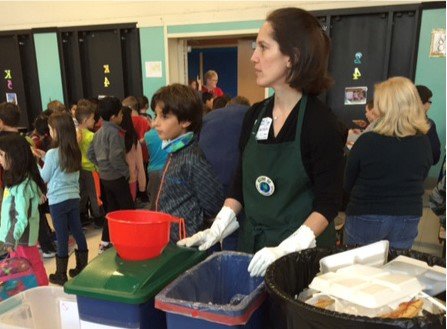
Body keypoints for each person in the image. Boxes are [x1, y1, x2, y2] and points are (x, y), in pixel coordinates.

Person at [179, 8, 346, 277]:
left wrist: (291, 245)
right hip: (254, 245)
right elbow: (241, 179)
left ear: (293, 57)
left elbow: (329, 202)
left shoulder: (321, 124)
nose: (254, 58)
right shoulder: (255, 115)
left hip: (301, 254)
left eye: (263, 48)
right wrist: (219, 225)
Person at [344, 77, 432, 250]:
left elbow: (348, 183)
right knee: (395, 272)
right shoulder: (423, 141)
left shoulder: (367, 141)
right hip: (408, 215)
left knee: (357, 272)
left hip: (367, 212)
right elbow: (423, 175)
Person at [151, 83, 224, 242]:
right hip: (169, 240)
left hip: (186, 245)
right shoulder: (175, 152)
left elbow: (214, 205)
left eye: (164, 116)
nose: (155, 123)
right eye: (155, 115)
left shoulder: (192, 158)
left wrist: (191, 227)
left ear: (185, 121)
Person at [38, 112, 88, 285]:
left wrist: (36, 164)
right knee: (77, 230)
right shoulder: (74, 150)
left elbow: (44, 177)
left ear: (57, 131)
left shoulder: (53, 153)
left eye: (51, 129)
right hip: (73, 197)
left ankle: (61, 274)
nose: (50, 132)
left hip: (57, 201)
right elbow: (62, 167)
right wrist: (43, 156)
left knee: (62, 235)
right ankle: (82, 267)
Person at [0, 134, 49, 286]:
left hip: (20, 237)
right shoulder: (17, 179)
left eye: (1, 155)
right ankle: (27, 288)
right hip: (16, 236)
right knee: (20, 267)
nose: (0, 159)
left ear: (15, 156)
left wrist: (10, 238)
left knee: (31, 264)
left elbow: (20, 216)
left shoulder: (22, 185)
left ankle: (42, 290)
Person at [88, 97, 134, 253]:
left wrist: (101, 166)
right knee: (128, 211)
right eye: (121, 114)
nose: (122, 117)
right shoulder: (115, 133)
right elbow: (116, 158)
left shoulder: (98, 133)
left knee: (111, 212)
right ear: (114, 116)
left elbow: (90, 154)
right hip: (117, 177)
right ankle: (131, 241)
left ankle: (105, 242)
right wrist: (126, 172)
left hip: (105, 178)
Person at [76, 102, 104, 227]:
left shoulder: (76, 134)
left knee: (83, 193)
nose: (94, 121)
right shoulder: (92, 136)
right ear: (86, 119)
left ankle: (81, 216)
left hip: (80, 168)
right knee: (95, 194)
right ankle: (99, 217)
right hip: (92, 169)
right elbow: (97, 155)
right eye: (92, 118)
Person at [144, 94, 169, 210]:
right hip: (165, 168)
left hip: (153, 170)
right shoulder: (168, 135)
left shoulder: (148, 135)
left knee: (154, 202)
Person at [120, 106, 146, 201]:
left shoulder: (114, 137)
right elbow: (140, 166)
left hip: (116, 179)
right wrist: (142, 188)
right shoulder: (133, 141)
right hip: (131, 179)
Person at [416, 85, 441, 165]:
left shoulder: (396, 122)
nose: (430, 105)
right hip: (417, 172)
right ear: (422, 102)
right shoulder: (428, 125)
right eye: (429, 102)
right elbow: (435, 156)